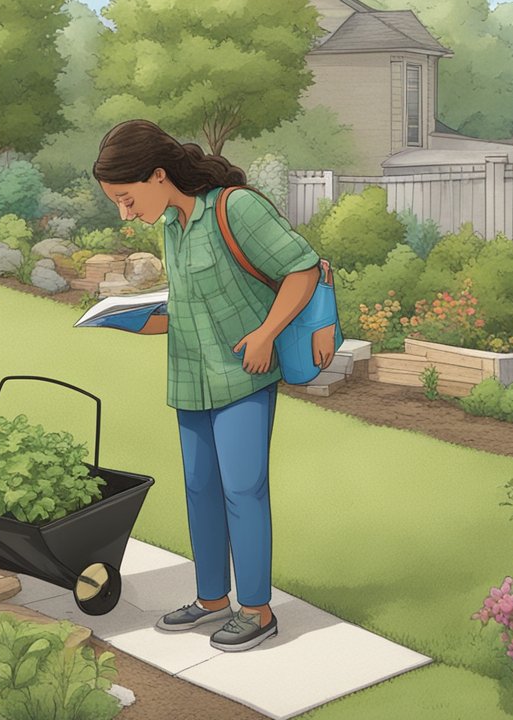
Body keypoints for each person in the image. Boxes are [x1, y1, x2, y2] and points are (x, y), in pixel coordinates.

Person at [92, 119, 335, 652]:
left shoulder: (236, 208)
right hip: (190, 379)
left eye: (127, 199)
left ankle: (257, 609)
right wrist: (123, 318)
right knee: (201, 492)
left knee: (243, 491)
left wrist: (266, 334)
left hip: (242, 376)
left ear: (158, 175)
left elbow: (302, 270)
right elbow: (186, 310)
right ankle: (210, 600)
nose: (125, 214)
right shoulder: (173, 228)